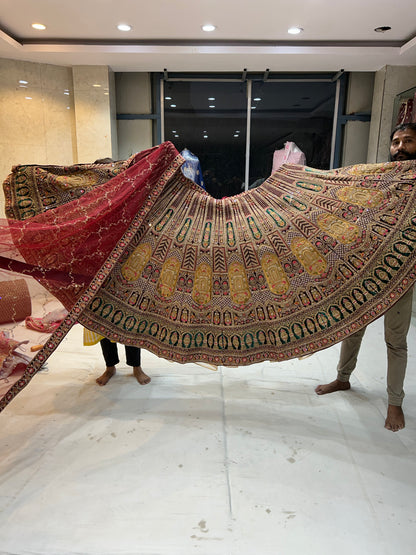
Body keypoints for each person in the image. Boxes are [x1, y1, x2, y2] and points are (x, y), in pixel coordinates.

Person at [315, 122, 416, 432]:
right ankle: (343, 379)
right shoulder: (383, 178)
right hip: (367, 269)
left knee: (395, 340)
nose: (400, 147)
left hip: (402, 273)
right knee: (352, 326)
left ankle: (395, 403)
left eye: (408, 141)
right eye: (396, 142)